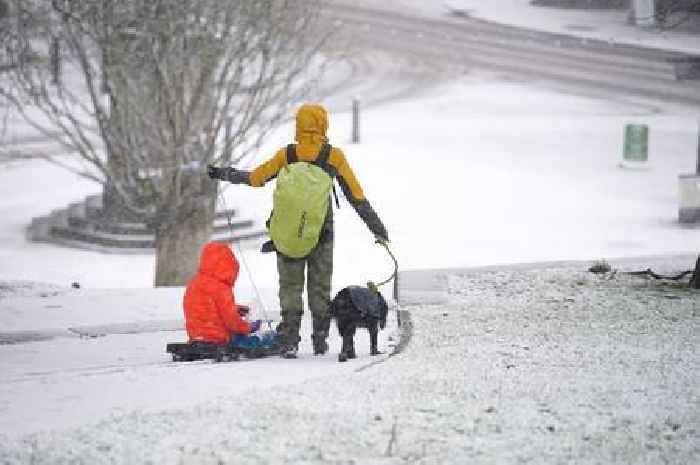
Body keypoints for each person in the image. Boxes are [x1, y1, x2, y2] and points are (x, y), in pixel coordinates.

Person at [207, 103, 388, 358]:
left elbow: (256, 178)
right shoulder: (333, 156)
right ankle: (320, 340)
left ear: (298, 125)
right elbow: (356, 196)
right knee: (320, 288)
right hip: (322, 233)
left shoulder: (287, 155)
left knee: (290, 287)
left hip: (288, 231)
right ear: (324, 124)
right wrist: (378, 230)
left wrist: (225, 174)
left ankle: (289, 338)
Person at [184, 241, 261, 347]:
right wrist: (248, 327)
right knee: (259, 341)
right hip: (217, 338)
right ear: (230, 266)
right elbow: (231, 320)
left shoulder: (195, 283)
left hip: (196, 336)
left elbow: (207, 306)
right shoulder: (221, 288)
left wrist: (235, 308)